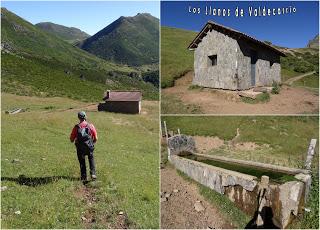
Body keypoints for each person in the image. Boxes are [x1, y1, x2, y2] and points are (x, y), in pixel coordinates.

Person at [70, 111, 98, 182]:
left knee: (82, 161)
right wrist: (92, 143)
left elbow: (71, 139)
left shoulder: (76, 127)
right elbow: (96, 138)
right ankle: (93, 174)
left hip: (80, 148)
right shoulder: (90, 125)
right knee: (91, 158)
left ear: (78, 117)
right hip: (89, 147)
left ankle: (83, 177)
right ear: (85, 117)